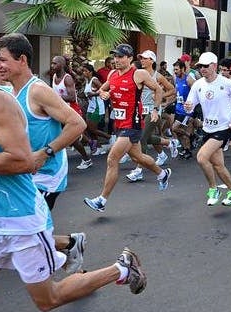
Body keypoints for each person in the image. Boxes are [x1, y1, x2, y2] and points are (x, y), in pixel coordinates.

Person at [0, 27, 146, 312]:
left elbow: (22, 161)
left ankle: (121, 269)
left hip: (22, 220)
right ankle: (73, 245)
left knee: (48, 299)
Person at [0, 32, 89, 274]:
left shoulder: (37, 91)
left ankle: (72, 260)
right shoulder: (9, 91)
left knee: (30, 231)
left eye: (3, 60)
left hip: (46, 174)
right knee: (20, 228)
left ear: (22, 60)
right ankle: (69, 245)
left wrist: (45, 153)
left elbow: (77, 124)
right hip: (24, 173)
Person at [83, 44, 172, 212]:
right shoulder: (112, 74)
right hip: (119, 123)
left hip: (133, 124)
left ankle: (101, 201)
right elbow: (102, 89)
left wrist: (154, 109)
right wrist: (103, 94)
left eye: (120, 56)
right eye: (115, 56)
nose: (116, 60)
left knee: (112, 159)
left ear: (129, 58)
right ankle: (162, 174)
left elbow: (159, 89)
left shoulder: (139, 74)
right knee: (138, 157)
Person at [184, 52, 231, 206]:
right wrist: (188, 107)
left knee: (202, 157)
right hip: (207, 128)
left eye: (206, 66)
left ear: (214, 66)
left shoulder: (226, 83)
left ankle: (213, 189)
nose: (202, 69)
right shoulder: (198, 85)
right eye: (200, 66)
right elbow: (190, 106)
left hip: (224, 128)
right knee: (218, 165)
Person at [125, 49, 177, 182]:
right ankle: (169, 143)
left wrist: (160, 96)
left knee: (141, 137)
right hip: (139, 111)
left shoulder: (157, 76)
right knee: (145, 138)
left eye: (145, 58)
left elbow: (172, 89)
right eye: (141, 58)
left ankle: (139, 170)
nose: (142, 60)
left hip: (153, 111)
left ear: (152, 61)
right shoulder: (137, 74)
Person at [171, 60, 195, 159]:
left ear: (182, 69)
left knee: (174, 128)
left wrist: (191, 103)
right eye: (174, 69)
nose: (175, 71)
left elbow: (196, 91)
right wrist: (166, 102)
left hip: (186, 110)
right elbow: (176, 92)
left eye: (177, 69)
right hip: (178, 108)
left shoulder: (188, 79)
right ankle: (187, 150)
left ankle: (191, 136)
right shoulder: (175, 78)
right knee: (178, 132)